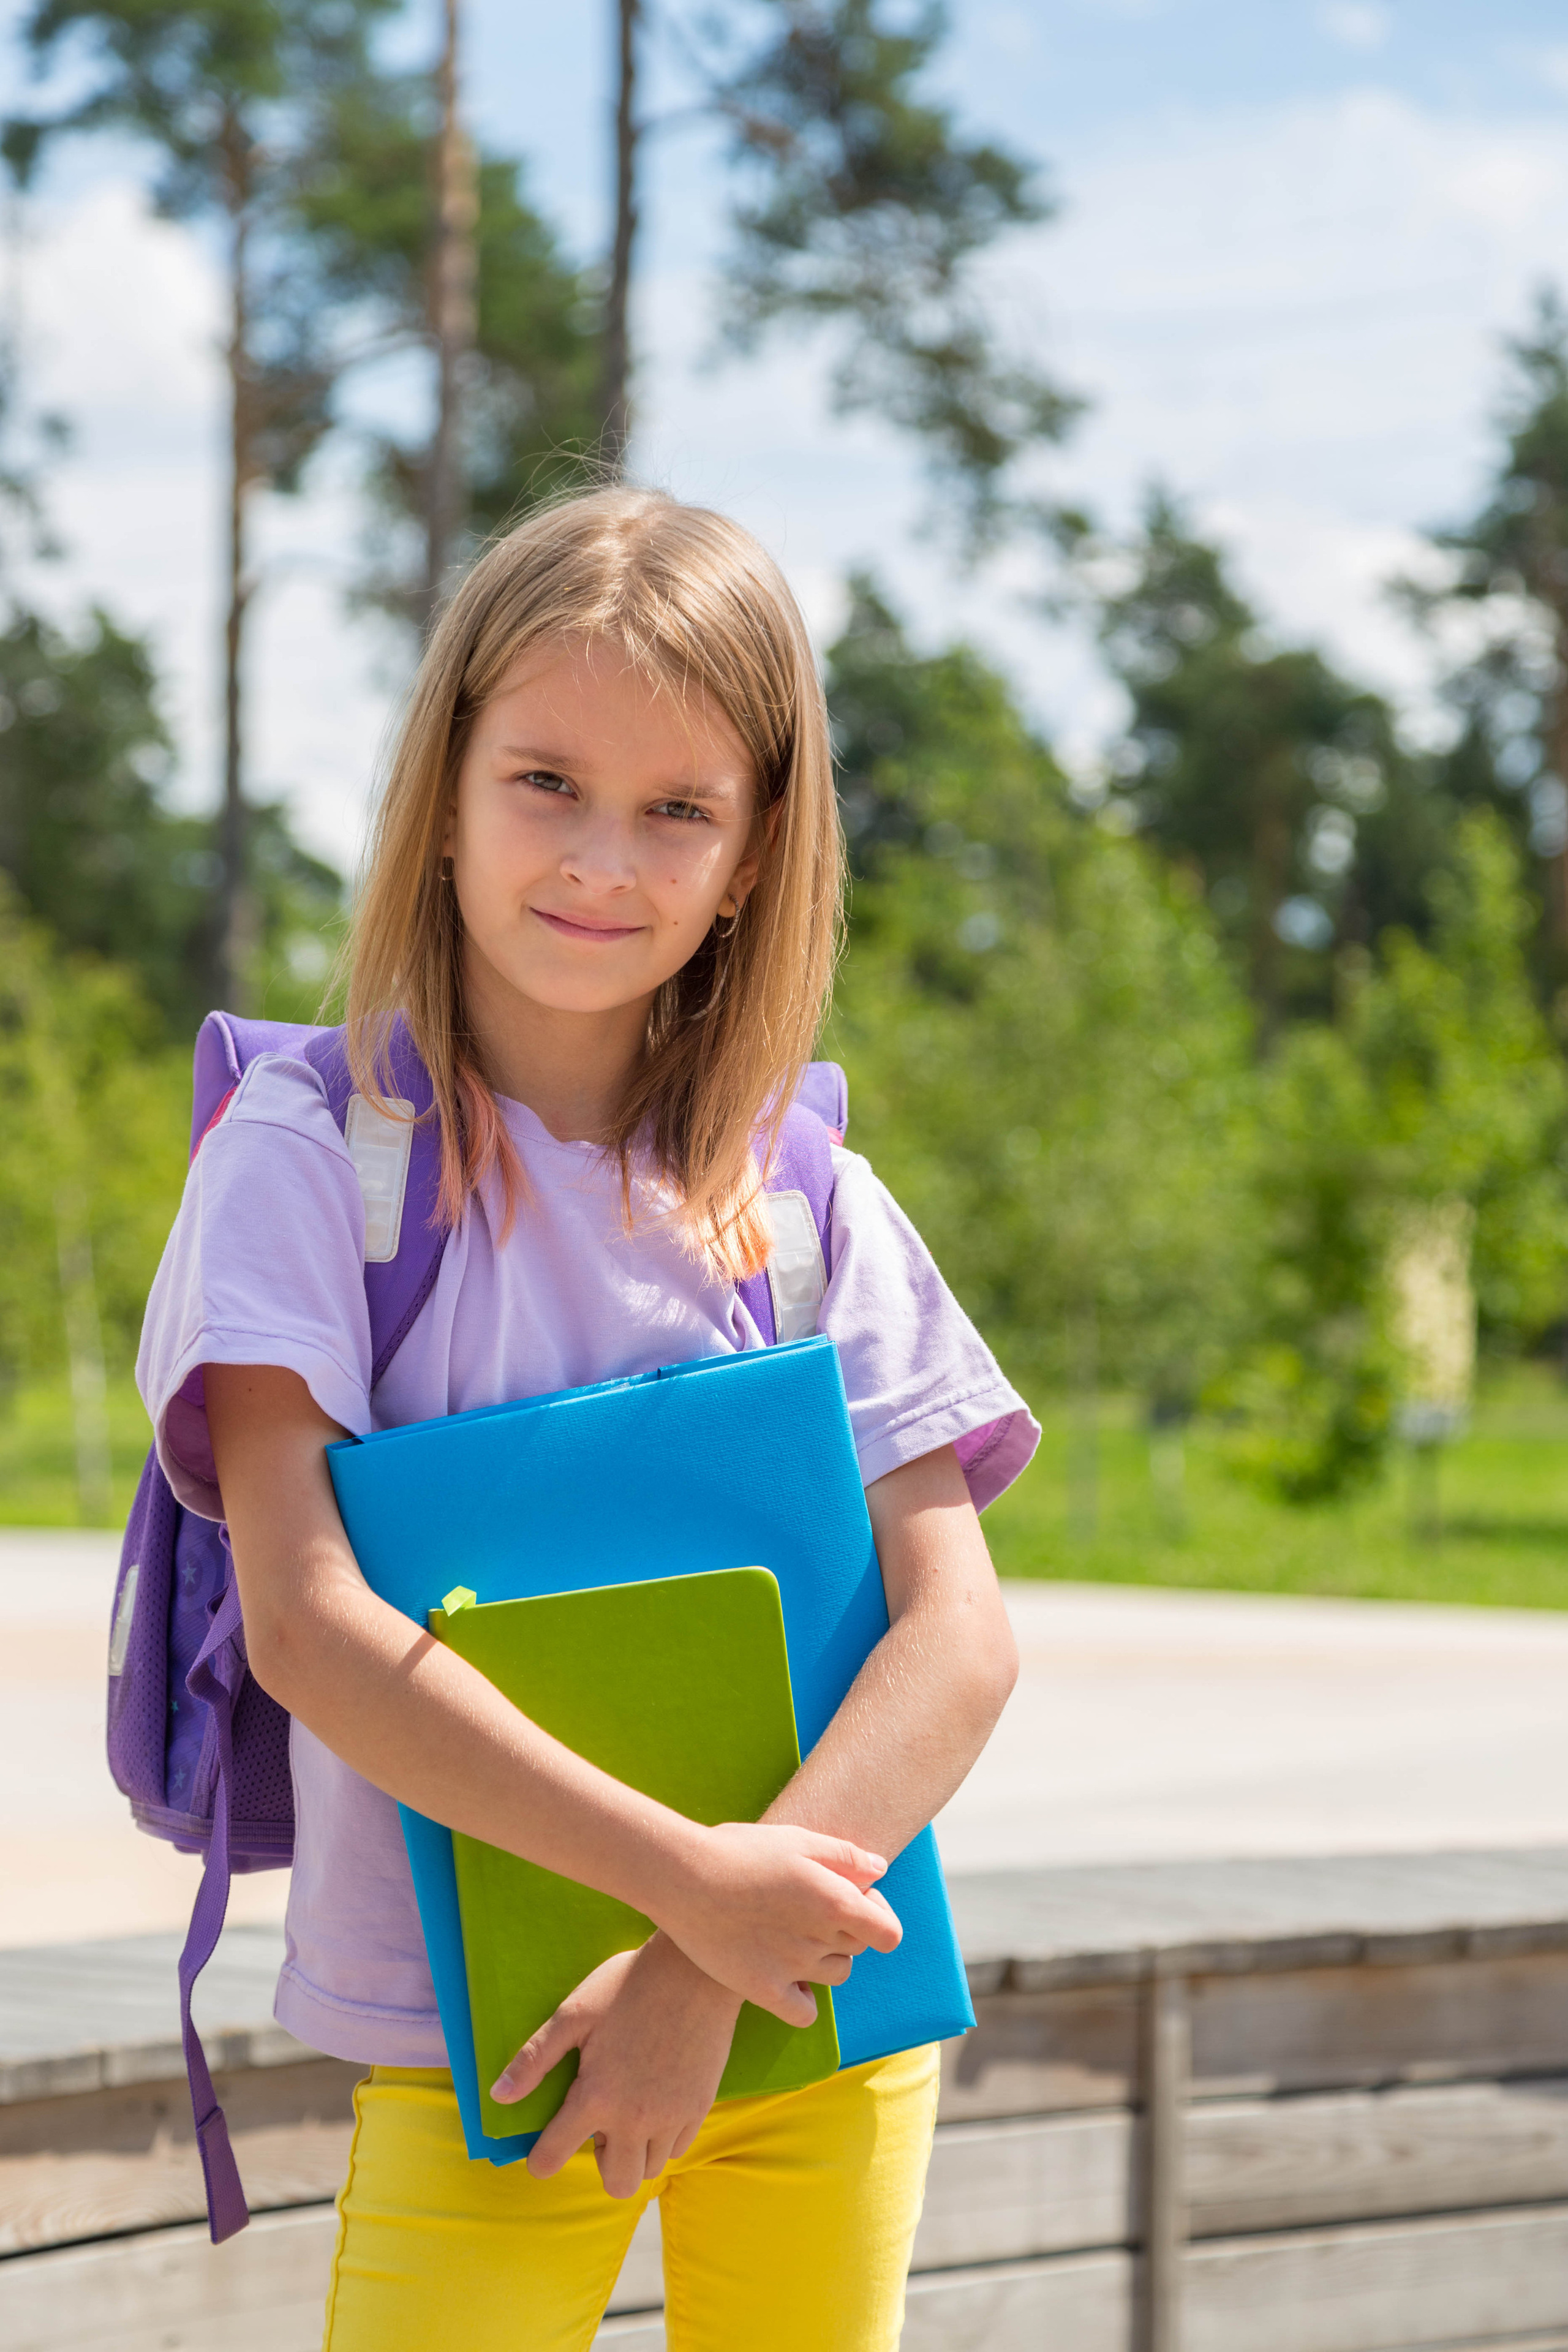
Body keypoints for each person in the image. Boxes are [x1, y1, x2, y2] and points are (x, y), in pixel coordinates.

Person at [136, 486, 1037, 2352]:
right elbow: (310, 1624)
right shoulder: (308, 1170)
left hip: (810, 2028)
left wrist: (709, 1955)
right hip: (484, 2040)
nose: (599, 859)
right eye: (545, 780)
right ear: (444, 783)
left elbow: (960, 1637)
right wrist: (692, 1893)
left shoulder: (804, 1203)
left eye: (677, 809)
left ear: (754, 852)